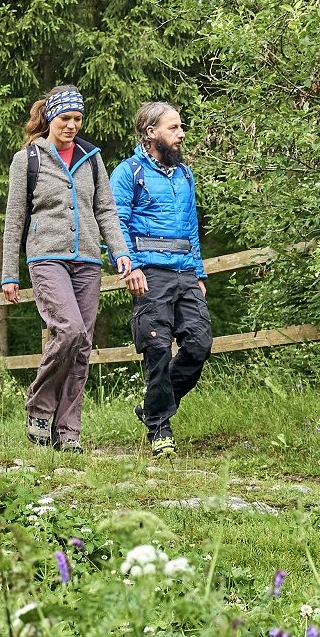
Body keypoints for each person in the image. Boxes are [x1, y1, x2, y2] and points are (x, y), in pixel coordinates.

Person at [0, 86, 138, 452]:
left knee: (82, 345)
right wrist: (9, 273)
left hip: (89, 259)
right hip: (46, 257)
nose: (72, 125)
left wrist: (121, 253)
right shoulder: (27, 159)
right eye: (65, 119)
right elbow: (15, 220)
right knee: (69, 329)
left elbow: (106, 209)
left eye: (77, 119)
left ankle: (68, 429)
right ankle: (40, 407)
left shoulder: (92, 158)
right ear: (49, 118)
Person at [111, 101, 212, 457]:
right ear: (150, 132)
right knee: (156, 348)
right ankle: (160, 430)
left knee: (199, 344)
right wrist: (130, 267)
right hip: (149, 271)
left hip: (185, 271)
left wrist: (198, 272)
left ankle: (152, 407)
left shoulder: (185, 174)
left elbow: (191, 227)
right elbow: (116, 224)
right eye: (174, 128)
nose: (181, 134)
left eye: (180, 127)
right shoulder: (128, 173)